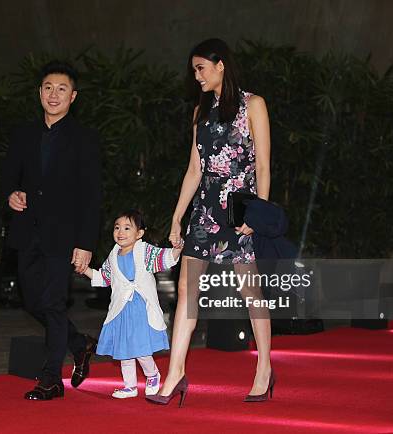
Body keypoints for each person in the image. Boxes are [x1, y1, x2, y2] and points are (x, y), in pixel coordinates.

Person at [146, 38, 274, 406]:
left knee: (251, 293)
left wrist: (258, 212)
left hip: (240, 213)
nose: (196, 76)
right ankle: (175, 374)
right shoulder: (200, 112)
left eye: (201, 68)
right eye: (194, 70)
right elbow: (194, 169)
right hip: (204, 213)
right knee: (187, 293)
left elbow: (263, 165)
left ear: (221, 66)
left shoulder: (254, 105)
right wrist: (176, 216)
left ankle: (264, 369)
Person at [1, 60, 102, 401]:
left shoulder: (84, 139)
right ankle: (80, 343)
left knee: (54, 305)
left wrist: (85, 244)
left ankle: (50, 379)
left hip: (64, 236)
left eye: (61, 89)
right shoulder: (24, 134)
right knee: (32, 302)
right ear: (39, 92)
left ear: (73, 96)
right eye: (48, 88)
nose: (53, 95)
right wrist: (11, 194)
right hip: (28, 232)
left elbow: (92, 196)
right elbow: (8, 177)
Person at [82, 210, 182, 399]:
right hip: (121, 310)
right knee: (124, 350)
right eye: (117, 227)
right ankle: (130, 386)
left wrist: (177, 247)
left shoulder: (144, 251)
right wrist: (85, 269)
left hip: (141, 309)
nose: (121, 232)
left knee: (140, 348)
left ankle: (152, 375)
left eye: (127, 228)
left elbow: (165, 258)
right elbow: (103, 277)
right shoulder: (113, 255)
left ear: (139, 234)